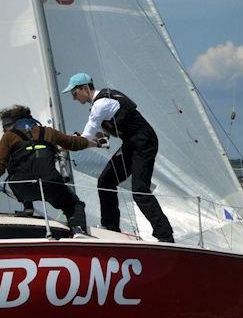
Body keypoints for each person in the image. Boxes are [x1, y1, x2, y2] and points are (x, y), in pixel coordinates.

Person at [63, 73, 175, 242]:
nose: (73, 98)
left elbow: (84, 140)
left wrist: (62, 143)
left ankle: (165, 235)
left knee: (139, 190)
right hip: (132, 143)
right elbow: (107, 133)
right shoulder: (102, 103)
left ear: (85, 88)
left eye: (74, 93)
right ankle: (111, 228)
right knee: (105, 181)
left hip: (144, 143)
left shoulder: (99, 106)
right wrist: (98, 139)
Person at [0, 105, 93, 234]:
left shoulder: (8, 137)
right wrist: (96, 143)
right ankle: (78, 230)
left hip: (22, 188)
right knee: (74, 205)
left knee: (20, 171)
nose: (4, 131)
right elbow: (74, 143)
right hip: (50, 184)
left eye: (4, 127)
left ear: (13, 123)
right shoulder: (48, 132)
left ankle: (28, 208)